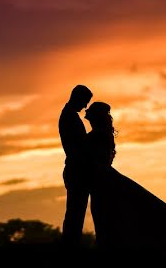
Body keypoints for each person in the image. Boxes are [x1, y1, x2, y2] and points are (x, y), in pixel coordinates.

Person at [84, 101, 166, 248]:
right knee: (107, 215)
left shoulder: (99, 135)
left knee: (106, 215)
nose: (87, 116)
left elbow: (100, 159)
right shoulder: (102, 135)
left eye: (90, 115)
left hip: (103, 182)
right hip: (103, 180)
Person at [58, 84, 93, 246]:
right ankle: (70, 247)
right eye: (85, 101)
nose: (85, 106)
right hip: (76, 170)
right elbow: (77, 147)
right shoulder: (69, 117)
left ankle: (71, 245)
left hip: (76, 169)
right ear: (77, 98)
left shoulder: (70, 115)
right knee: (75, 213)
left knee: (76, 213)